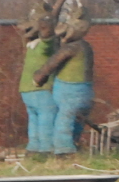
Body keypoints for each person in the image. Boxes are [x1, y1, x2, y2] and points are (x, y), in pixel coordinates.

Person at [34, 11, 95, 154]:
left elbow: (53, 62)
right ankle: (70, 144)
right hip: (84, 89)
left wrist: (40, 75)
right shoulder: (85, 46)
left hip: (70, 89)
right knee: (75, 119)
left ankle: (64, 148)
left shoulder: (72, 47)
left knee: (65, 117)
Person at [16, 7, 58, 154]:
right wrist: (48, 28)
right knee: (47, 116)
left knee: (34, 118)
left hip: (25, 89)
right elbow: (48, 42)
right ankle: (46, 148)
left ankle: (33, 147)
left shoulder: (29, 47)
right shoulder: (42, 46)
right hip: (41, 88)